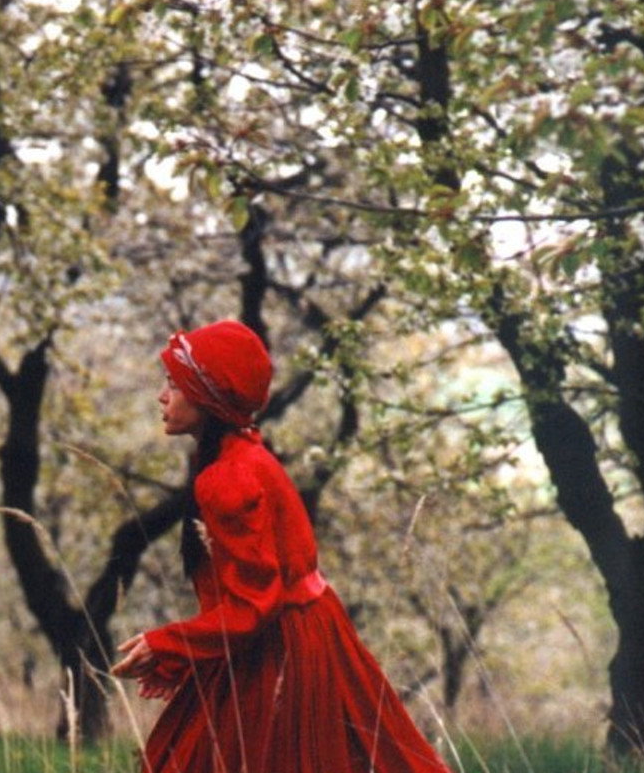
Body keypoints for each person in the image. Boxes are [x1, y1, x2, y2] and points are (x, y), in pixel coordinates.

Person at [110, 320, 449, 773]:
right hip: (308, 633)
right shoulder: (248, 454)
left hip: (274, 649)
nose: (162, 395)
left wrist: (167, 643)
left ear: (209, 398)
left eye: (175, 383)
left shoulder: (226, 477)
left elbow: (254, 604)